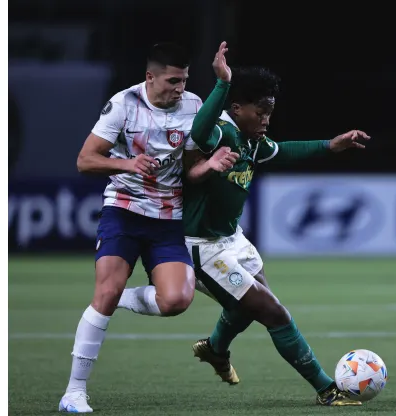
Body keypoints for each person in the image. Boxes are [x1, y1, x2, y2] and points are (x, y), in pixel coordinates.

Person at [182, 49, 370, 406]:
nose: (267, 118)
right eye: (261, 111)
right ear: (238, 108)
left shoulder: (253, 142)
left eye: (270, 111)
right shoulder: (221, 132)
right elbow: (198, 129)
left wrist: (331, 145)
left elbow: (284, 151)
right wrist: (223, 83)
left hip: (232, 240)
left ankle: (216, 349)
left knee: (253, 307)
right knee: (272, 311)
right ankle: (327, 390)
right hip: (203, 247)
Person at [58, 42, 235, 413]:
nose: (180, 88)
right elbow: (85, 160)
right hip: (124, 209)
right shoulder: (124, 104)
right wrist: (127, 165)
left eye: (184, 80)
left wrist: (213, 162)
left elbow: (190, 170)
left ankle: (120, 295)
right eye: (172, 80)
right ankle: (74, 392)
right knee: (104, 292)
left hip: (169, 218)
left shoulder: (194, 105)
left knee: (176, 301)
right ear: (150, 77)